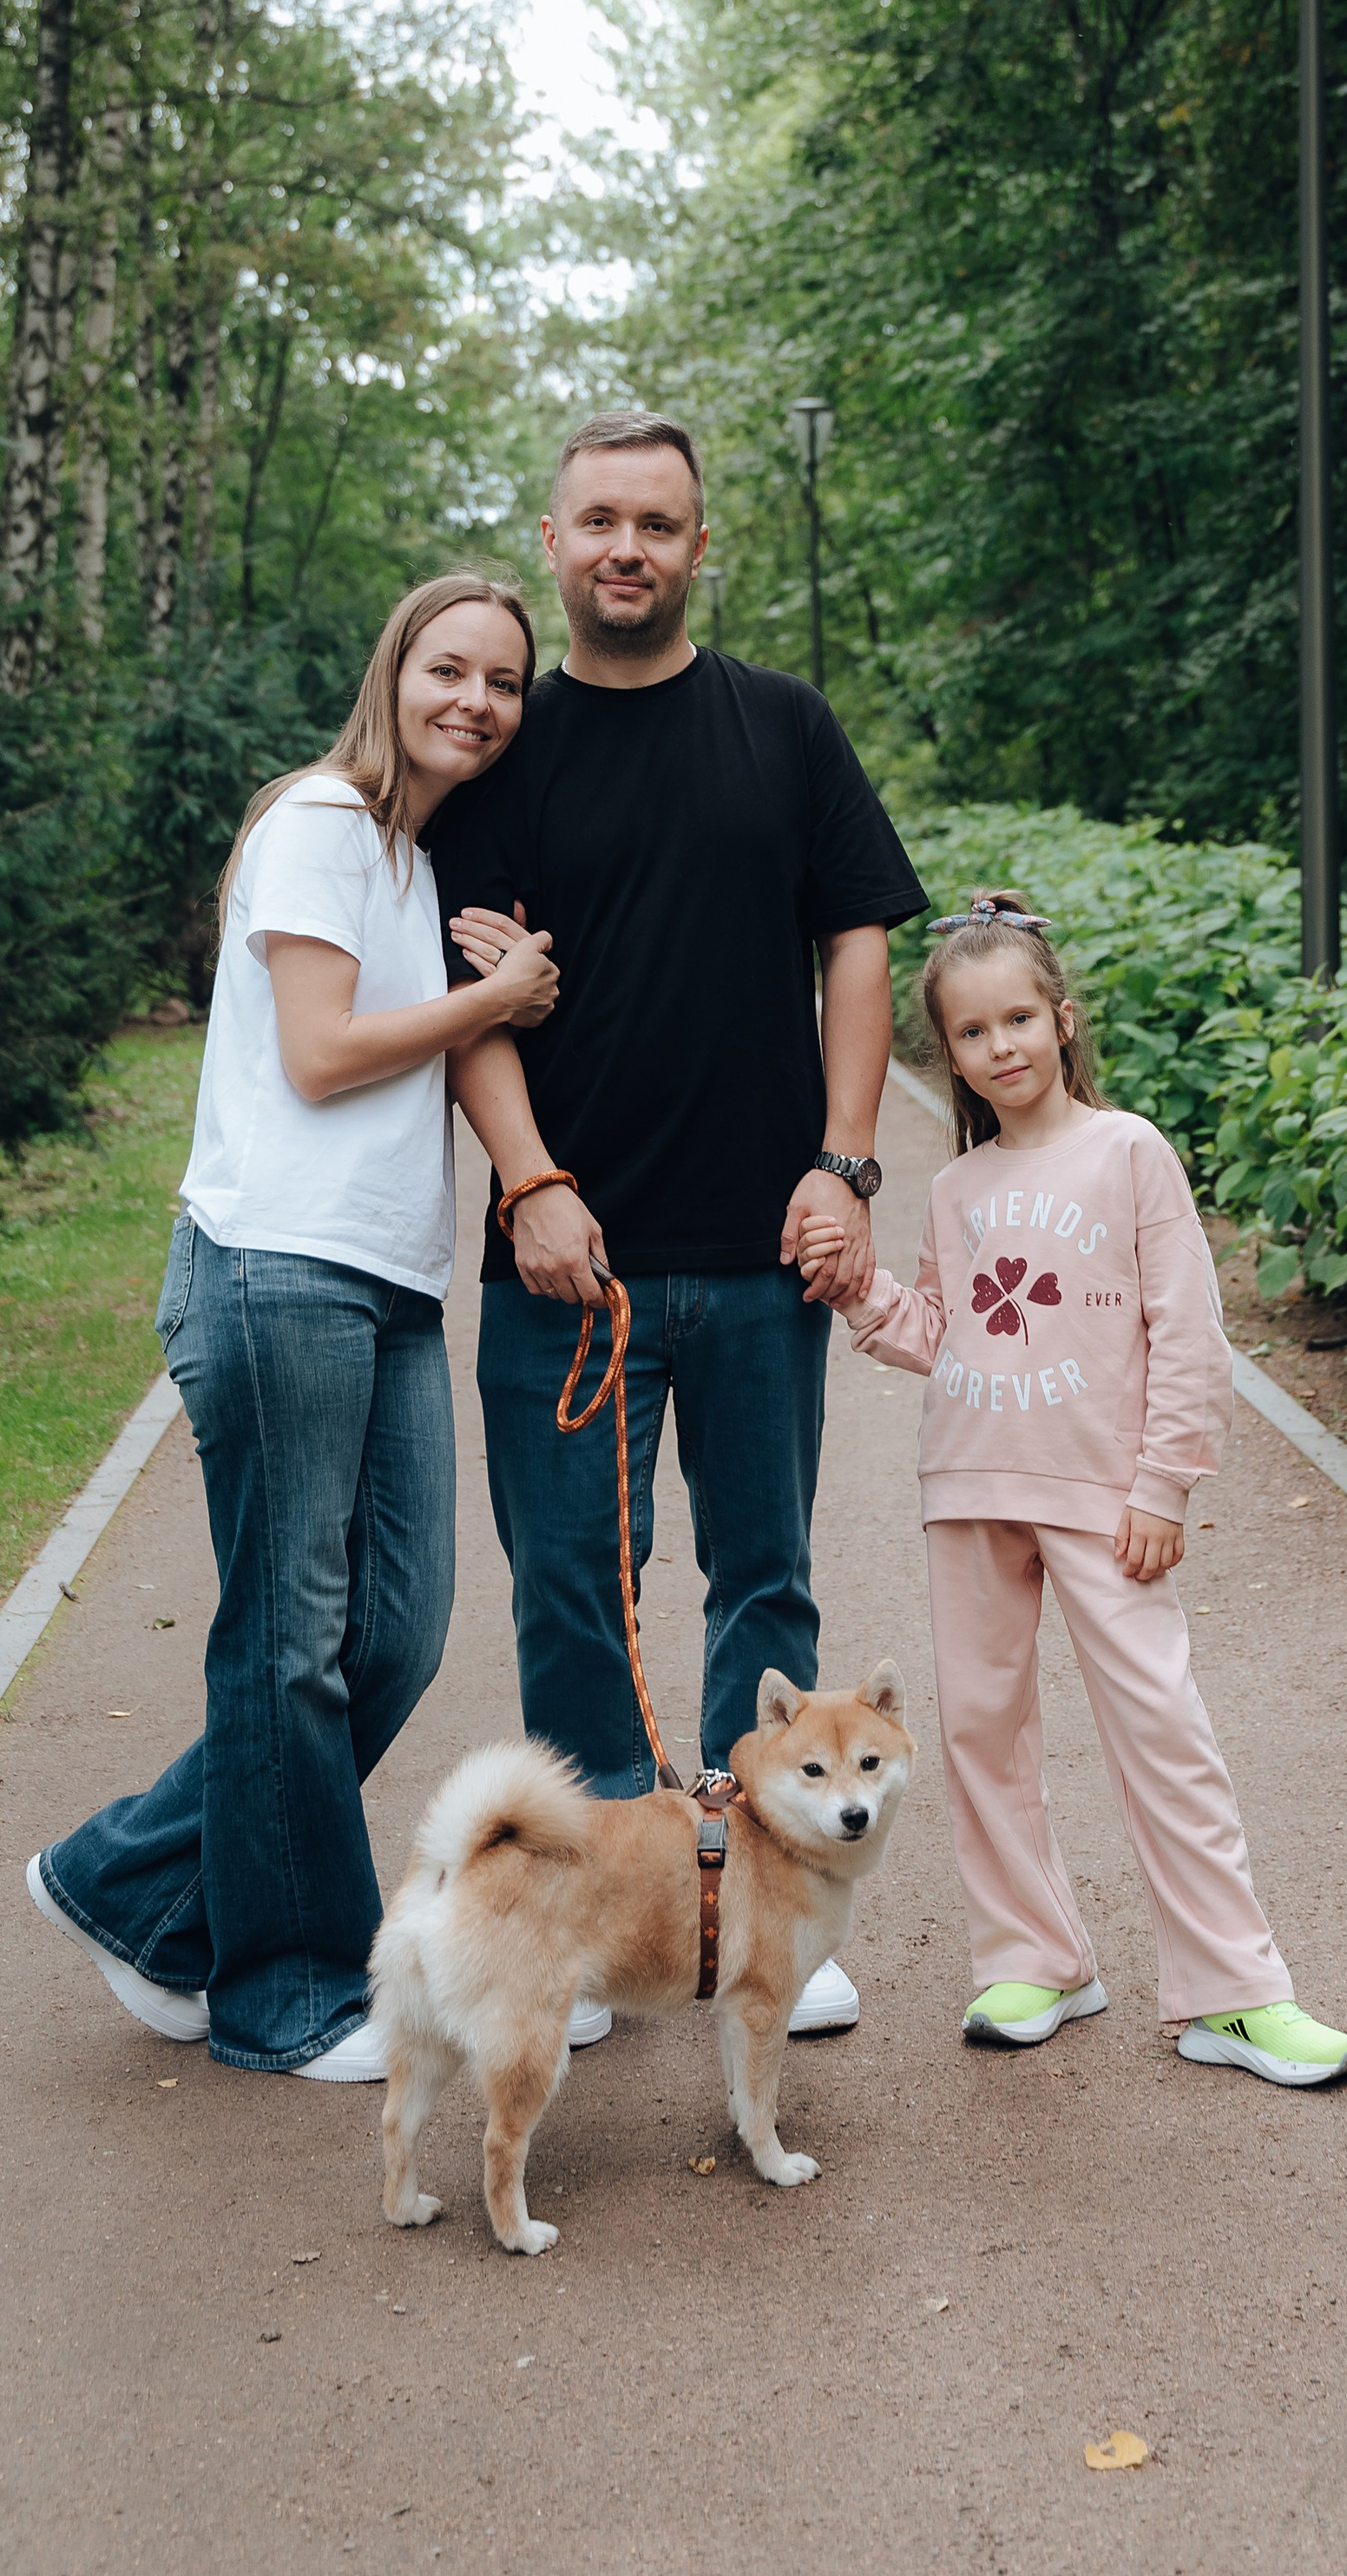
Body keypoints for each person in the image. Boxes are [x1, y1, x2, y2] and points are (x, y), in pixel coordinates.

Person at [432, 406, 927, 2041]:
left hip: (762, 1254)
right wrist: (529, 1181)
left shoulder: (783, 727)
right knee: (573, 1588)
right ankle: (580, 1919)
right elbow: (473, 1003)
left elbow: (858, 941)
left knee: (764, 1580)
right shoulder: (507, 756)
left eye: (657, 521)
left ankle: (764, 1923)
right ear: (555, 540)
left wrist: (843, 1167)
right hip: (573, 1269)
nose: (626, 547)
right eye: (597, 522)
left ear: (698, 544)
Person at [27, 574, 557, 2080]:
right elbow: (322, 1057)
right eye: (448, 669)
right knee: (288, 1647)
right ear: (393, 671)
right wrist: (495, 1000)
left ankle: (130, 1880)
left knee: (388, 1632)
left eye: (503, 683)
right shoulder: (322, 822)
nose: (474, 700)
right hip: (275, 1269)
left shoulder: (404, 854)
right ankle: (285, 1994)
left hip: (383, 1281)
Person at [798, 889, 1347, 2083]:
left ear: (1062, 1019)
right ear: (944, 1052)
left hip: (1105, 1496)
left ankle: (1234, 1991)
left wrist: (1166, 1484)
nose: (999, 1047)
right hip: (970, 1483)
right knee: (981, 1732)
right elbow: (946, 1330)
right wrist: (856, 1289)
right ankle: (1036, 1958)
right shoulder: (956, 1188)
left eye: (1018, 1020)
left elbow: (1189, 1331)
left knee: (1161, 1727)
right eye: (971, 1032)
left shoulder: (1132, 1151)